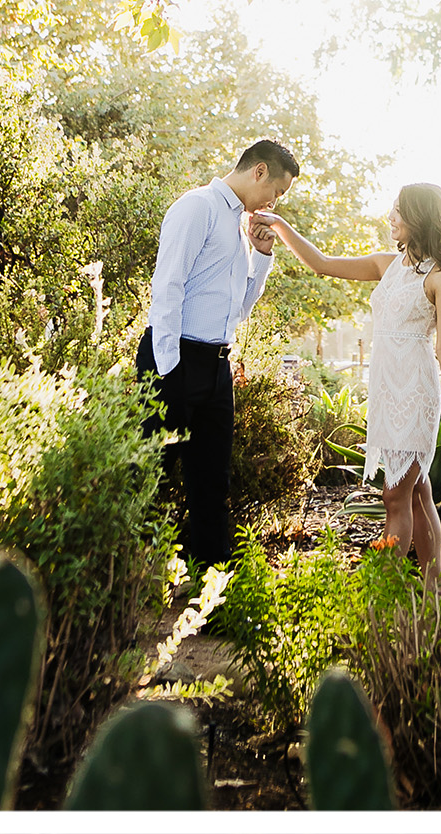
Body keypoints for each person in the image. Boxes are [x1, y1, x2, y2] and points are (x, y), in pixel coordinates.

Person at [264, 183, 441, 591]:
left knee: (395, 497)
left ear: (420, 218)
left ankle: (382, 595)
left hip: (416, 392)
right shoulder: (385, 264)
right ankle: (432, 595)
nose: (391, 217)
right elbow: (320, 264)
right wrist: (281, 226)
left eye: (399, 211)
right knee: (418, 492)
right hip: (386, 392)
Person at [136, 140, 301, 574]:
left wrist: (262, 255)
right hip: (173, 360)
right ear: (259, 172)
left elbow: (238, 311)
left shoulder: (239, 227)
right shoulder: (197, 208)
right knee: (147, 478)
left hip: (216, 367)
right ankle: (131, 587)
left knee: (212, 484)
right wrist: (168, 371)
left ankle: (210, 592)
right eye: (278, 193)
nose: (274, 203)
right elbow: (167, 288)